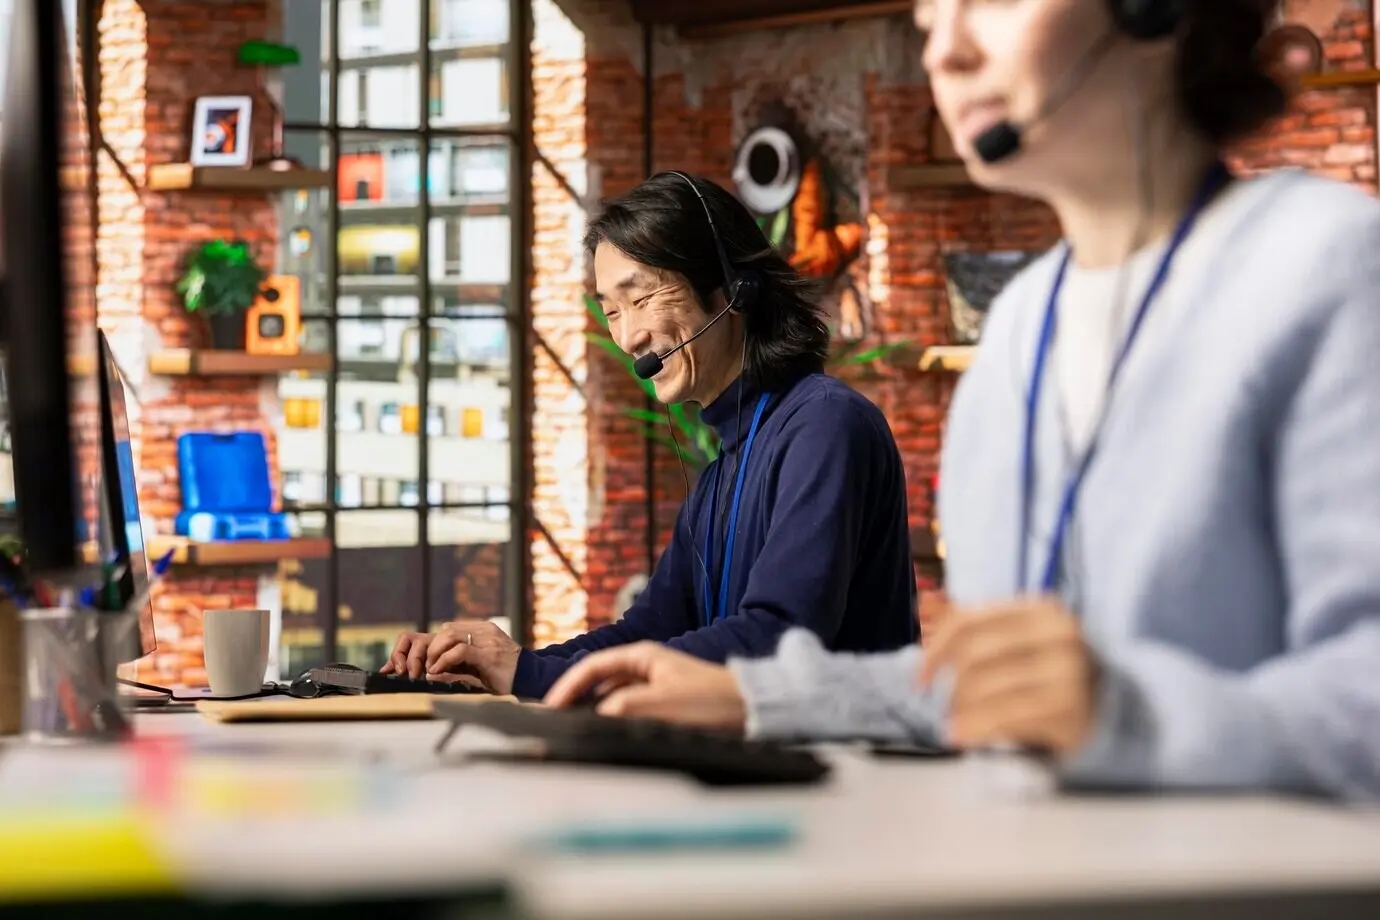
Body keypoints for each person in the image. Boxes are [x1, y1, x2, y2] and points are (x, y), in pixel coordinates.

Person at [543, 0, 1380, 802]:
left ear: (1151, 8)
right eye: (926, 20)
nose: (943, 53)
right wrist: (760, 699)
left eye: (990, 2)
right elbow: (979, 693)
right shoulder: (1020, 328)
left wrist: (1130, 716)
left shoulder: (1329, 268)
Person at [382, 171, 919, 699]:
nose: (628, 336)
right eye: (610, 311)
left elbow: (779, 639)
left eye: (640, 300)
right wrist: (505, 664)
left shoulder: (824, 426)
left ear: (731, 288)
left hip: (849, 776)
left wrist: (530, 676)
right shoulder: (722, 471)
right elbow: (649, 632)